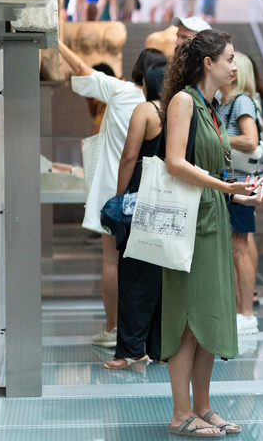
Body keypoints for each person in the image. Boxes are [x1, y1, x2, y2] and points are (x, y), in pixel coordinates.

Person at [161, 29, 263, 437]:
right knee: (186, 316)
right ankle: (181, 413)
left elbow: (215, 169)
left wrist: (245, 197)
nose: (236, 66)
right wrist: (225, 188)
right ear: (208, 63)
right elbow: (174, 162)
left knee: (210, 314)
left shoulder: (212, 106)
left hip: (212, 217)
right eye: (230, 59)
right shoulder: (184, 101)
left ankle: (203, 406)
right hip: (191, 222)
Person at [58, 43, 168, 348]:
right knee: (147, 262)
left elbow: (81, 68)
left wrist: (59, 43)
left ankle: (112, 327)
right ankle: (147, 330)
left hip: (115, 189)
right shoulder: (167, 106)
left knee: (111, 261)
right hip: (153, 192)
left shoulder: (120, 91)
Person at [105, 61, 168, 370]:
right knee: (160, 277)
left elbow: (130, 156)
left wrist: (119, 196)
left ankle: (128, 350)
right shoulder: (179, 112)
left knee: (131, 276)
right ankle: (158, 347)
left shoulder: (146, 111)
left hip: (141, 200)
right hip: (169, 203)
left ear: (148, 84)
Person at [217, 52, 263, 336]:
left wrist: (217, 137)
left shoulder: (242, 101)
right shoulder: (224, 102)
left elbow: (251, 140)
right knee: (235, 245)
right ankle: (240, 308)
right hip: (230, 181)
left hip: (240, 181)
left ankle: (246, 312)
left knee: (240, 245)